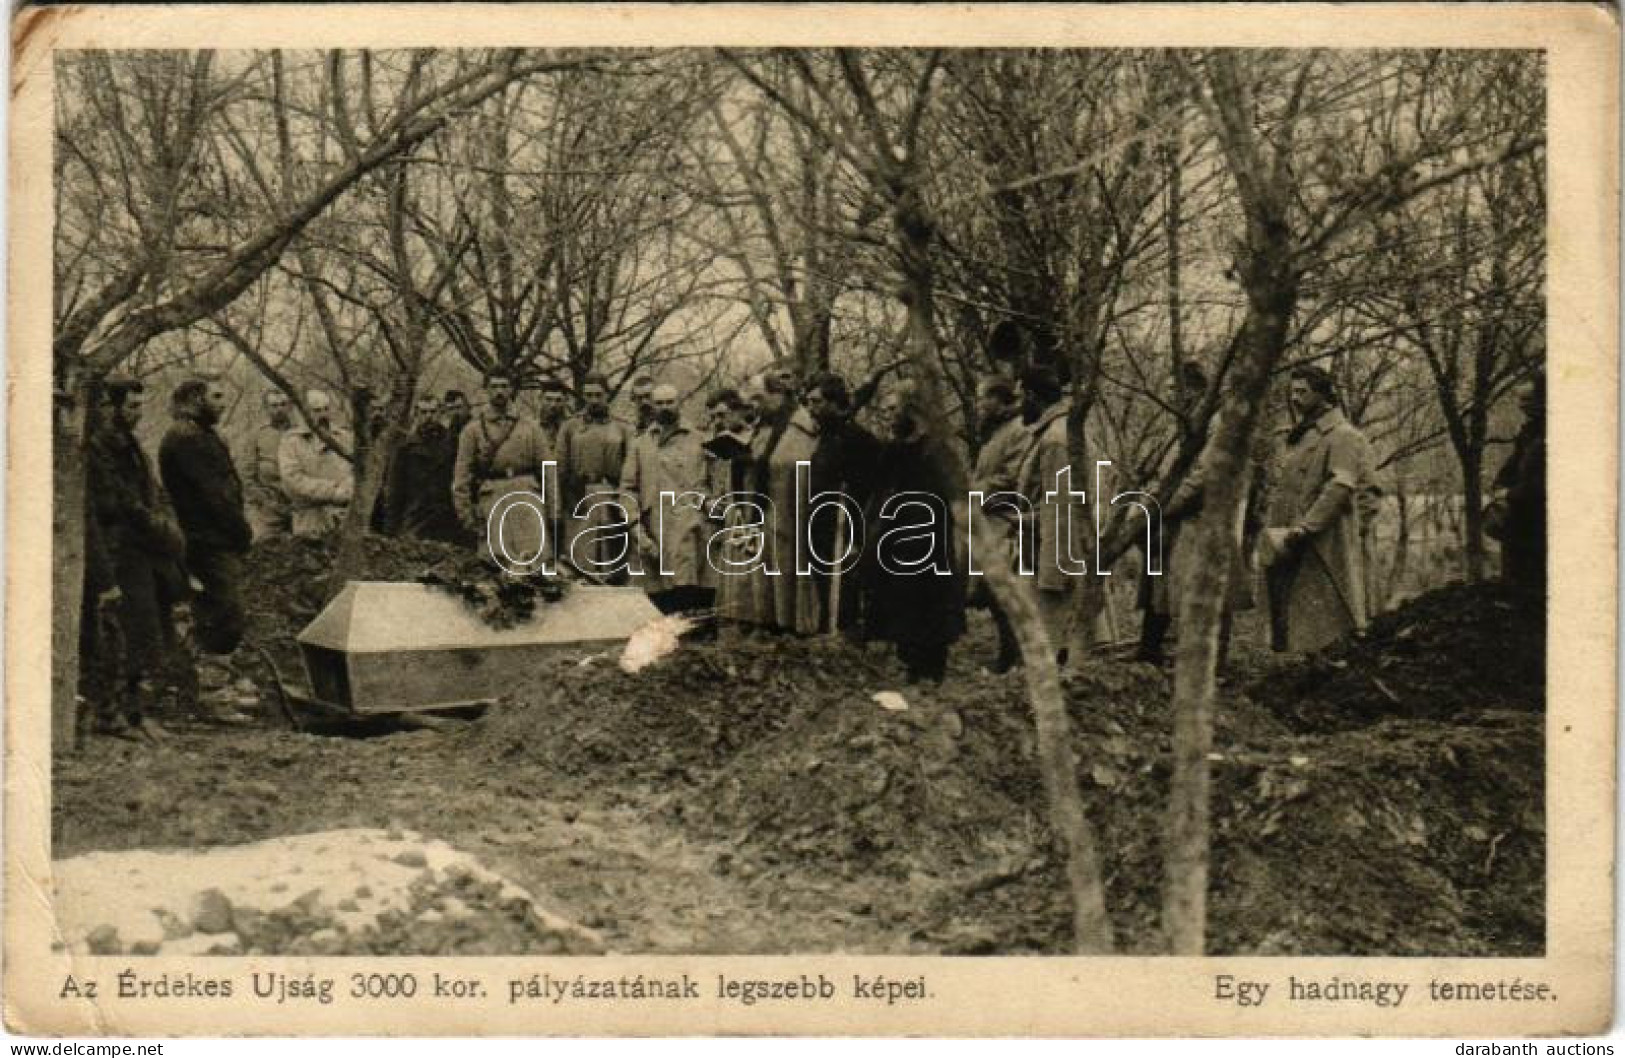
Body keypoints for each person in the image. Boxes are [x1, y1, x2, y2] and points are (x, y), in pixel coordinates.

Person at [86, 375, 188, 741]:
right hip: (121, 552)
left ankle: (135, 712)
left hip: (144, 552)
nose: (138, 413)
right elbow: (123, 502)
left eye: (139, 406)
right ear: (110, 408)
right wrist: (163, 531)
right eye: (131, 406)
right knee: (127, 633)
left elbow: (153, 494)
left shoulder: (130, 445)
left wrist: (168, 528)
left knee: (148, 633)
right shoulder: (98, 447)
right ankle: (115, 714)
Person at [1262, 364, 1380, 653]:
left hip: (1322, 538)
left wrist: (1307, 526)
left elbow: (1342, 485)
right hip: (1292, 536)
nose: (1295, 398)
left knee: (1330, 619)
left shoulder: (1343, 435)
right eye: (1292, 392)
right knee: (1300, 615)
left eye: (1303, 392)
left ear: (1323, 395)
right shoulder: (1304, 435)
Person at [158, 376, 254, 716]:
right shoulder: (188, 440)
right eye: (216, 396)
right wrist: (241, 531)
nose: (223, 403)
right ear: (195, 399)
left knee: (221, 609)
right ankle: (211, 693)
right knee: (225, 610)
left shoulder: (199, 435)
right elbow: (216, 496)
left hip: (211, 537)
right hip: (206, 540)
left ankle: (213, 683)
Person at [860, 382, 967, 683]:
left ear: (912, 409)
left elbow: (956, 492)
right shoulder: (893, 451)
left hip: (930, 540)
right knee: (901, 604)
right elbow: (879, 491)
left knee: (931, 606)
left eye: (894, 409)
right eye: (885, 410)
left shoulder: (936, 450)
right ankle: (911, 666)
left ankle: (933, 671)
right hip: (897, 540)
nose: (889, 416)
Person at [620, 383, 714, 614]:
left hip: (692, 528)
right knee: (661, 600)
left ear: (679, 403)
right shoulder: (641, 444)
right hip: (655, 530)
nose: (665, 407)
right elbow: (627, 489)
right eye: (659, 403)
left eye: (670, 402)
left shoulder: (699, 439)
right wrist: (636, 528)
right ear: (652, 405)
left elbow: (712, 482)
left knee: (692, 593)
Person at [740, 369, 822, 634]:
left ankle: (796, 626)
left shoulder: (801, 425)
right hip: (771, 508)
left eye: (759, 398)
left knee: (792, 569)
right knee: (771, 570)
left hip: (794, 510)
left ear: (777, 395)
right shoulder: (766, 427)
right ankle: (774, 623)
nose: (754, 405)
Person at [453, 369, 557, 567]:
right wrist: (466, 515)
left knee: (535, 562)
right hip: (493, 498)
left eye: (504, 386)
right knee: (495, 562)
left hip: (527, 496)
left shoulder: (531, 427)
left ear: (512, 390)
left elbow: (548, 470)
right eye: (494, 386)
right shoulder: (473, 430)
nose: (499, 391)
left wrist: (553, 510)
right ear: (486, 390)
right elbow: (462, 475)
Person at [804, 372, 882, 635]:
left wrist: (857, 530)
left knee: (846, 586)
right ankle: (828, 632)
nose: (811, 409)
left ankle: (848, 638)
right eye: (809, 402)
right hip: (820, 525)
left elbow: (874, 484)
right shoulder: (821, 437)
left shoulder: (857, 438)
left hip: (846, 526)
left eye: (816, 402)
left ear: (833, 402)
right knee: (824, 585)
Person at [970, 375, 1030, 672]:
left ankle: (1012, 657)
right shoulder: (995, 432)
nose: (979, 404)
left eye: (983, 397)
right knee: (991, 591)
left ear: (1000, 399)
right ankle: (1010, 654)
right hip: (989, 519)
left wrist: (976, 492)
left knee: (1000, 591)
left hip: (1005, 521)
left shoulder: (1017, 431)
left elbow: (1010, 477)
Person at [556, 372, 634, 578]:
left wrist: (623, 499)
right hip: (580, 496)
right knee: (581, 560)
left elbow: (631, 467)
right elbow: (560, 469)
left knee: (612, 561)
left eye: (598, 395)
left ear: (607, 395)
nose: (594, 400)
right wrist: (567, 499)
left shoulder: (622, 427)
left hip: (612, 495)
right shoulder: (570, 427)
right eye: (589, 395)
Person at [1486, 371, 1545, 601]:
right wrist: (1500, 485)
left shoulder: (1551, 433)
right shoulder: (1528, 431)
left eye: (1528, 400)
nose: (1522, 406)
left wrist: (1510, 493)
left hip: (1535, 512)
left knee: (1532, 571)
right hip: (1520, 508)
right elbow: (1512, 463)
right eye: (1520, 400)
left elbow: (1543, 484)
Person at [385, 392, 465, 544]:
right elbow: (394, 490)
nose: (428, 416)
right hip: (416, 518)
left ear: (440, 413)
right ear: (416, 414)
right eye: (424, 412)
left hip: (447, 520)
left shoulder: (453, 443)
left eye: (433, 412)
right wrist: (391, 530)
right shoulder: (405, 447)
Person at [278, 389, 355, 537]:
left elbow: (357, 470)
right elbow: (293, 479)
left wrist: (347, 489)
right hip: (310, 519)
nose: (323, 414)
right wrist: (332, 491)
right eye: (316, 410)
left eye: (326, 409)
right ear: (305, 412)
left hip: (345, 516)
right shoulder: (291, 442)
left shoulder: (345, 437)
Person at [243, 389, 292, 539]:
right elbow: (246, 477)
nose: (279, 409)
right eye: (274, 405)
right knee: (261, 542)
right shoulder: (257, 435)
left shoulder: (301, 432)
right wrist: (265, 501)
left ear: (289, 406)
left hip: (300, 504)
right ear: (266, 408)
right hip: (268, 506)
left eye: (283, 404)